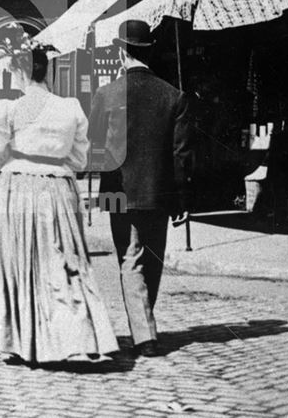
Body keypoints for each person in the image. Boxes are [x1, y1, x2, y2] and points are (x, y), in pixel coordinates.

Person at [0, 31, 118, 365]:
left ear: (19, 72)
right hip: (58, 190)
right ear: (47, 71)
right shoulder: (70, 108)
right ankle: (73, 338)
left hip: (16, 190)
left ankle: (18, 341)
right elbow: (79, 160)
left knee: (17, 264)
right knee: (63, 262)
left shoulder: (8, 109)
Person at [88, 19, 193, 358]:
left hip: (119, 191)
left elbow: (95, 150)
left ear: (122, 53)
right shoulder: (173, 96)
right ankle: (144, 325)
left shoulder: (106, 94)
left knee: (129, 258)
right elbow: (182, 155)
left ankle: (144, 333)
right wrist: (183, 197)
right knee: (152, 257)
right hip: (160, 193)